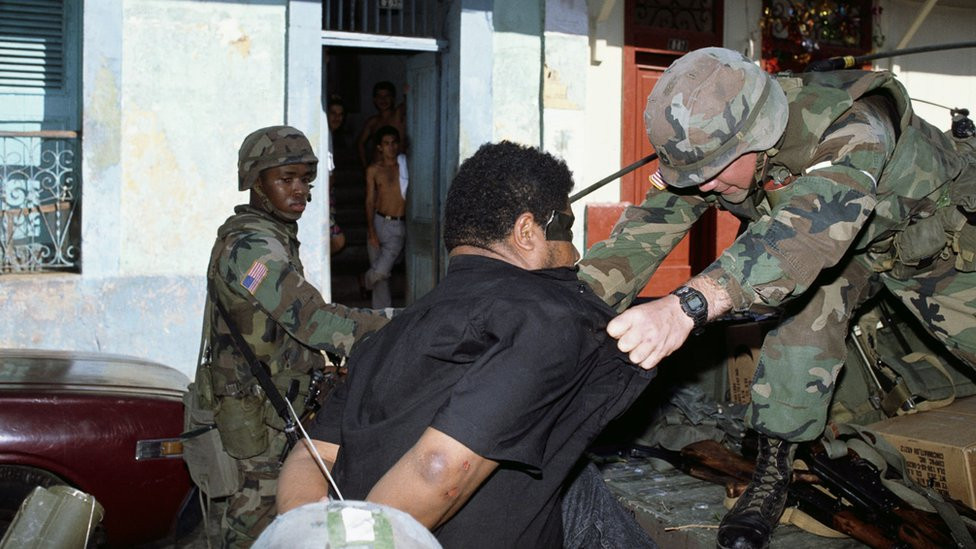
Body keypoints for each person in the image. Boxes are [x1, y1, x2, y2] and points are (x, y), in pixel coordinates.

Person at [577, 47, 976, 549]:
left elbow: (809, 228)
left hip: (941, 246)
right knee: (801, 314)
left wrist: (689, 304)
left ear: (759, 136)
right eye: (694, 176)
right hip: (854, 251)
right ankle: (774, 467)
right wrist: (569, 307)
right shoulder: (715, 152)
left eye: (716, 172)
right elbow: (645, 231)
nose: (706, 187)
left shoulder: (857, 123)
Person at [277, 141, 658, 548]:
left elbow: (312, 455)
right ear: (526, 232)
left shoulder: (388, 334)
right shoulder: (545, 317)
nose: (575, 250)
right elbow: (438, 467)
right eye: (565, 228)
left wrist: (312, 530)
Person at [187, 125, 392, 548]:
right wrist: (400, 323)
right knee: (255, 527)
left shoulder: (273, 236)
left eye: (306, 180)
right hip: (257, 421)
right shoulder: (252, 249)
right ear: (254, 181)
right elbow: (312, 320)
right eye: (286, 179)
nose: (301, 191)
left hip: (277, 409)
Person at [364, 125, 407, 308]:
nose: (391, 147)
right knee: (381, 280)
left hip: (398, 224)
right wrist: (371, 231)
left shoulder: (405, 166)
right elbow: (369, 201)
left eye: (394, 143)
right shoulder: (374, 170)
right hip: (379, 221)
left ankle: (363, 281)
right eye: (387, 143)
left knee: (380, 272)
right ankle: (381, 316)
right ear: (380, 147)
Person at [356, 80, 406, 168]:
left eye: (387, 96)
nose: (383, 100)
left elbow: (410, 100)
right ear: (374, 100)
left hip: (396, 170)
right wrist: (365, 167)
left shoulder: (398, 115)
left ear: (393, 98)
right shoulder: (372, 122)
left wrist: (407, 92)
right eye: (379, 96)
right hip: (377, 170)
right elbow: (360, 143)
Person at [327, 97, 347, 254]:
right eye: (333, 113)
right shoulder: (324, 135)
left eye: (340, 114)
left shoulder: (329, 135)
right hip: (322, 200)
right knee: (338, 240)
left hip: (328, 198)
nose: (337, 118)